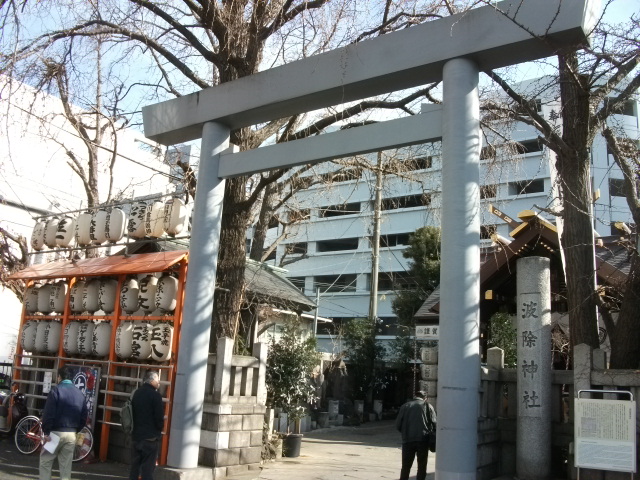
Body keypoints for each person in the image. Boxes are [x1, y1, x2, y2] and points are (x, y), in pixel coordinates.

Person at [40, 366, 89, 480]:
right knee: (66, 467)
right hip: (71, 434)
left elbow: (49, 414)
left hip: (54, 434)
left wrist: (46, 432)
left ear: (59, 377)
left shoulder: (55, 391)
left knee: (46, 461)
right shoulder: (79, 393)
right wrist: (76, 429)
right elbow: (84, 416)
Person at [129, 370, 164, 480]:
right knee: (147, 469)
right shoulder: (156, 396)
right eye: (158, 380)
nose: (159, 383)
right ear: (152, 381)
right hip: (150, 437)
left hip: (136, 436)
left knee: (134, 467)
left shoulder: (136, 393)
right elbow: (159, 418)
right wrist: (159, 429)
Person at [395, 390, 436, 480]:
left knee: (406, 466)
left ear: (415, 396)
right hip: (423, 440)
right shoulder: (428, 406)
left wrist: (405, 432)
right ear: (425, 398)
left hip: (407, 440)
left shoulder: (405, 406)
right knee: (422, 466)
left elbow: (398, 425)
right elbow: (434, 423)